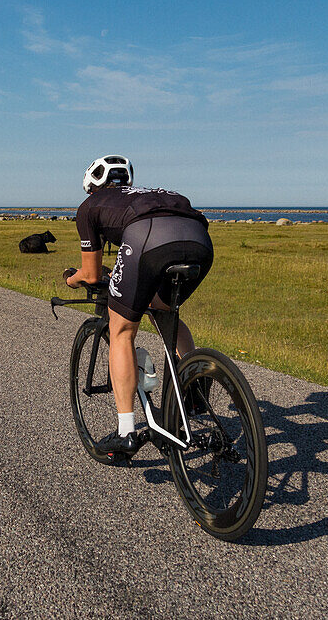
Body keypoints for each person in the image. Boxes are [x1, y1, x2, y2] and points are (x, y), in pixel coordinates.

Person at [65, 155, 213, 459]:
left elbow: (92, 274)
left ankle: (126, 432)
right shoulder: (148, 194)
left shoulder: (89, 207)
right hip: (199, 239)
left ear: (91, 186)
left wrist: (73, 280)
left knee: (122, 331)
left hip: (148, 237)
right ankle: (195, 389)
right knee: (162, 310)